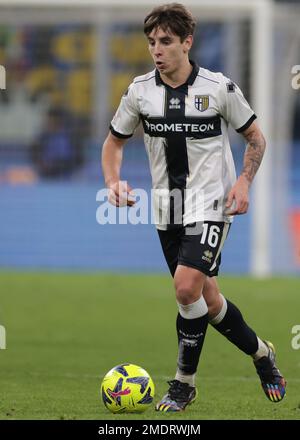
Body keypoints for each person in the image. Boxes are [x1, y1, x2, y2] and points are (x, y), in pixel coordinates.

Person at [102, 3, 286, 412]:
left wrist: (243, 182)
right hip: (167, 209)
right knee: (208, 301)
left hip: (211, 206)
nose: (157, 50)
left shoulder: (219, 88)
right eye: (151, 42)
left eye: (166, 41)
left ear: (187, 42)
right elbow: (114, 141)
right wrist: (113, 181)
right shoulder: (139, 92)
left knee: (185, 288)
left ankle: (184, 383)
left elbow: (256, 139)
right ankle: (262, 354)